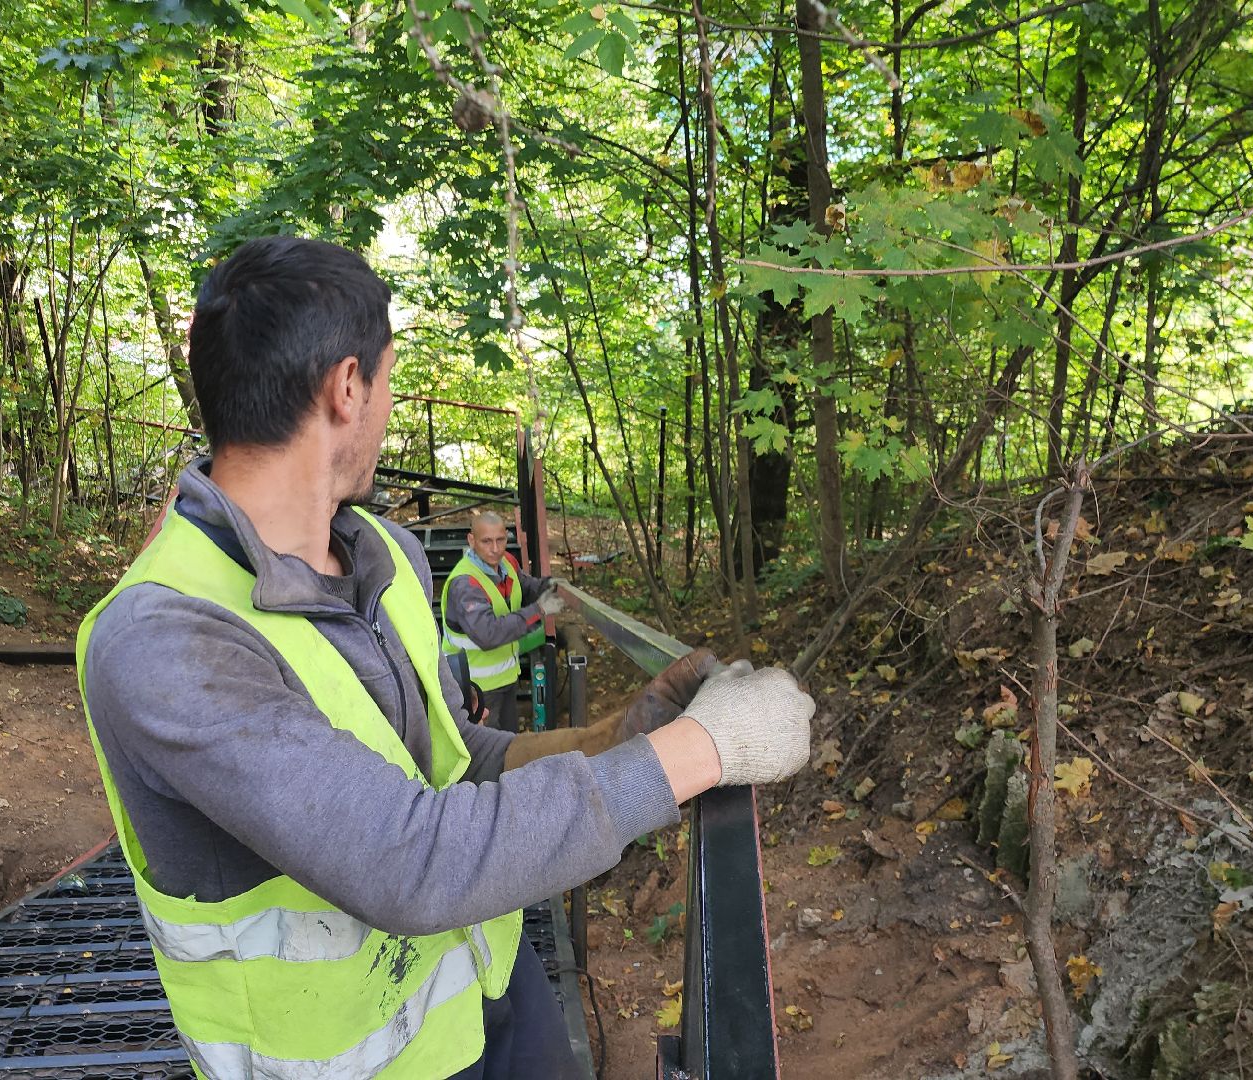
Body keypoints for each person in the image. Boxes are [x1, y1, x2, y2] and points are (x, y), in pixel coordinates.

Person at [76, 235, 814, 1079]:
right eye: (389, 378)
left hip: (483, 989)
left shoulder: (380, 558)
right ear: (347, 387)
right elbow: (409, 857)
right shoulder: (167, 642)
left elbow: (447, 769)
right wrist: (702, 750)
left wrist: (622, 734)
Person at [440, 510, 560, 733]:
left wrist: (549, 586)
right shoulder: (465, 583)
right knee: (488, 756)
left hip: (504, 680)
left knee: (508, 746)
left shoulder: (506, 563)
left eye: (500, 540)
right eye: (486, 541)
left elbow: (525, 585)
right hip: (476, 690)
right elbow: (488, 634)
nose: (495, 549)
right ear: (471, 540)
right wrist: (539, 610)